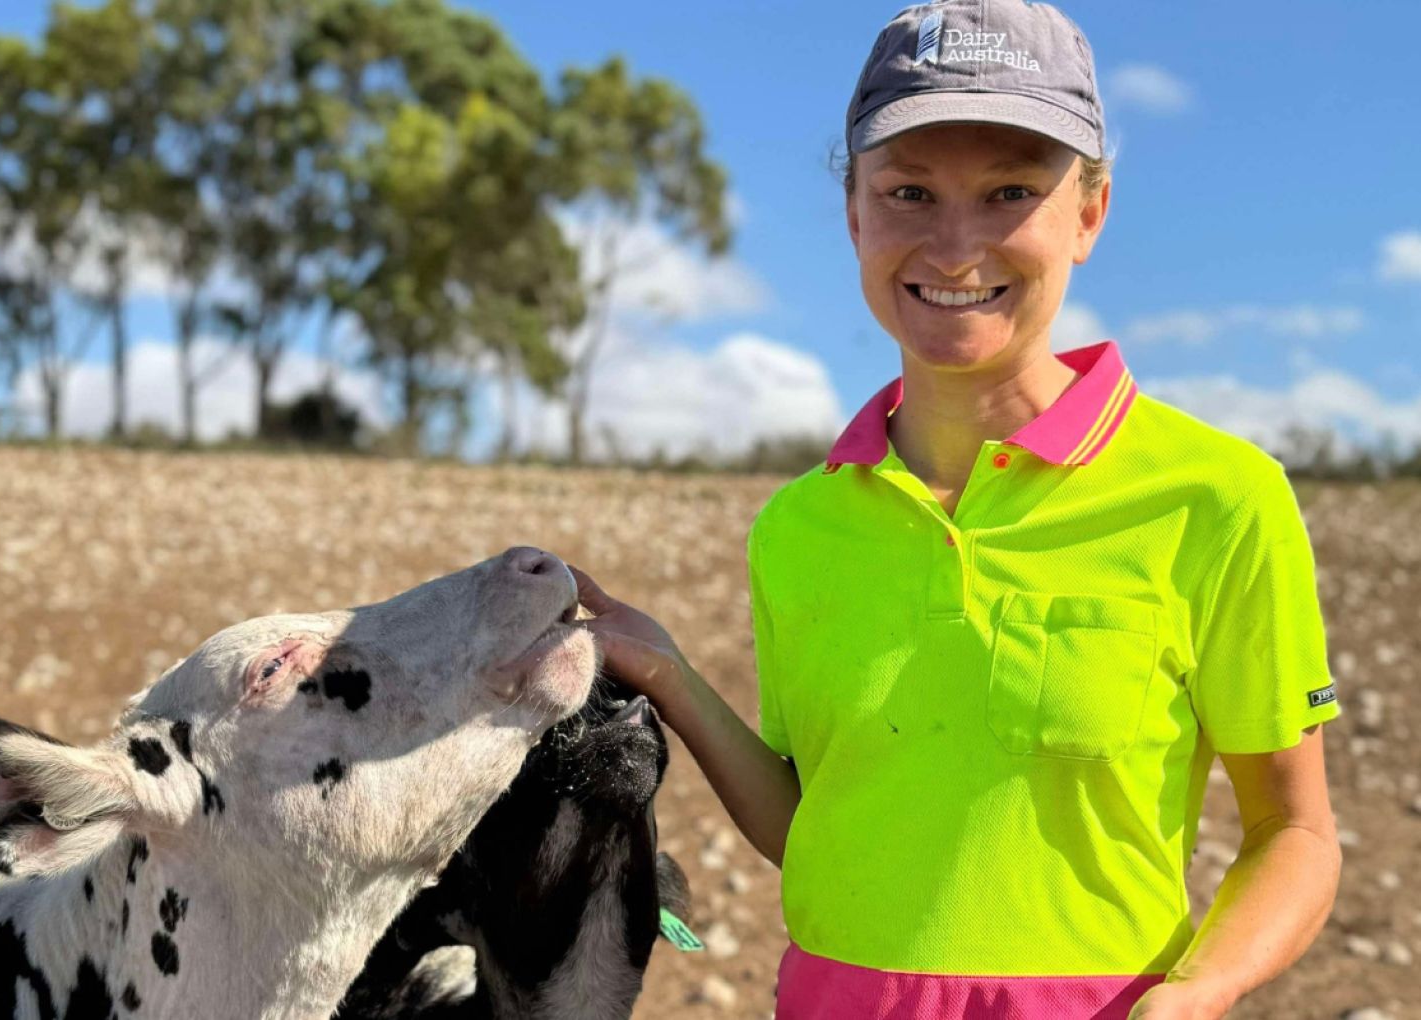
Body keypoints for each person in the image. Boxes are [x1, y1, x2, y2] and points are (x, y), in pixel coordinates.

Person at [569, 1, 1344, 1018]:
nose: (953, 246)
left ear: (1090, 213)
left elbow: (1294, 833)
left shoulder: (1219, 497)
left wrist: (1195, 994)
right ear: (855, 215)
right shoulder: (799, 527)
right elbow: (821, 826)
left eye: (1010, 192)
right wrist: (666, 669)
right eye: (910, 193)